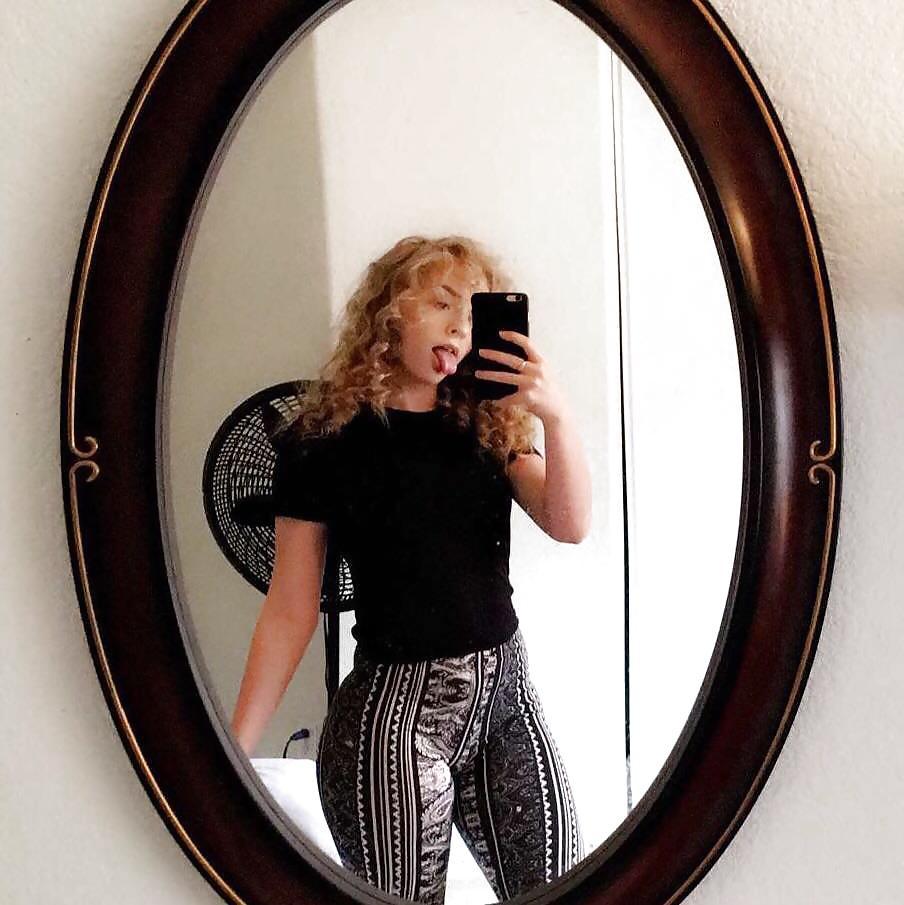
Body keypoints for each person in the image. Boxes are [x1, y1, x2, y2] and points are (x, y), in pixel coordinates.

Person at [231, 234, 592, 904]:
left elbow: (569, 523)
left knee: (564, 888)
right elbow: (290, 608)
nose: (459, 326)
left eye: (473, 314)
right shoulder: (321, 442)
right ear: (389, 312)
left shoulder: (485, 421)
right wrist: (231, 752)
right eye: (441, 302)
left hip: (506, 701)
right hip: (393, 726)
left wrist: (557, 416)